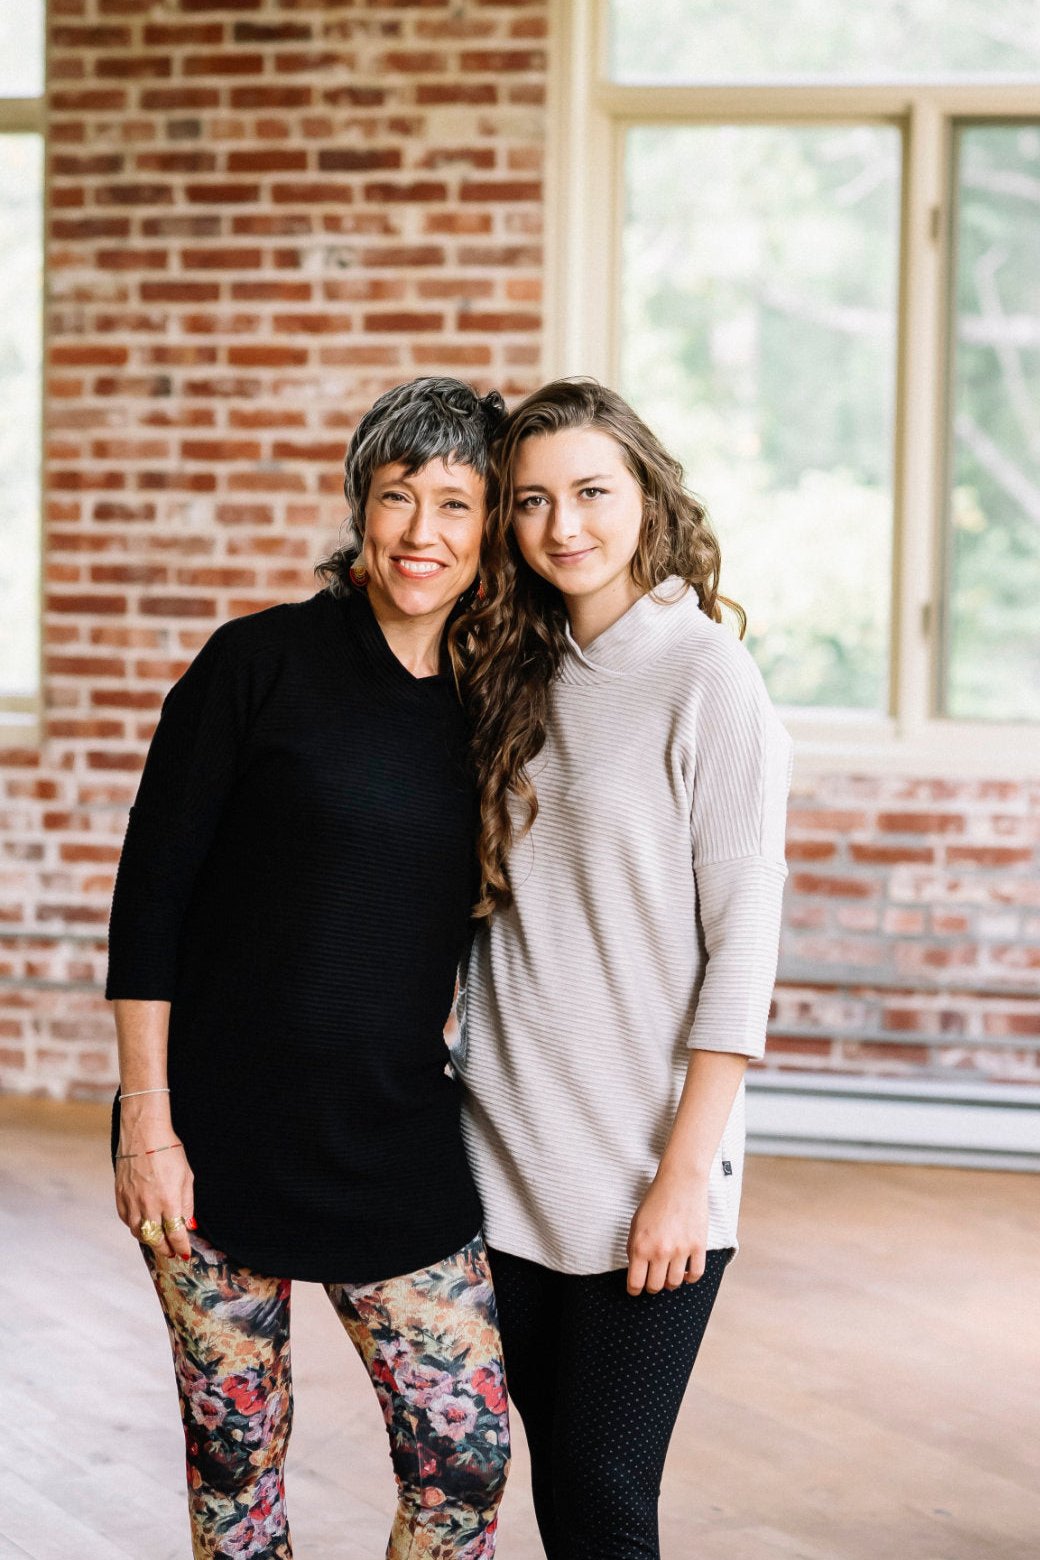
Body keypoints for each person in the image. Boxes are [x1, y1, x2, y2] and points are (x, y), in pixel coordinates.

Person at [107, 377, 511, 1560]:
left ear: (489, 530)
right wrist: (148, 1124)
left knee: (464, 1464)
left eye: (454, 503)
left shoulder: (497, 702)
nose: (421, 533)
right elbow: (151, 903)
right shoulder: (254, 664)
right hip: (212, 1141)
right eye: (398, 497)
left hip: (392, 1138)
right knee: (237, 1464)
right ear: (359, 506)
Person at [452, 378, 792, 1559]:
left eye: (591, 491)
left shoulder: (706, 676)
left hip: (644, 1169)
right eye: (532, 501)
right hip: (500, 1149)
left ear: (646, 494)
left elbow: (742, 944)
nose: (563, 527)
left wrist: (683, 1176)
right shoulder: (507, 670)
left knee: (603, 1488)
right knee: (551, 1480)